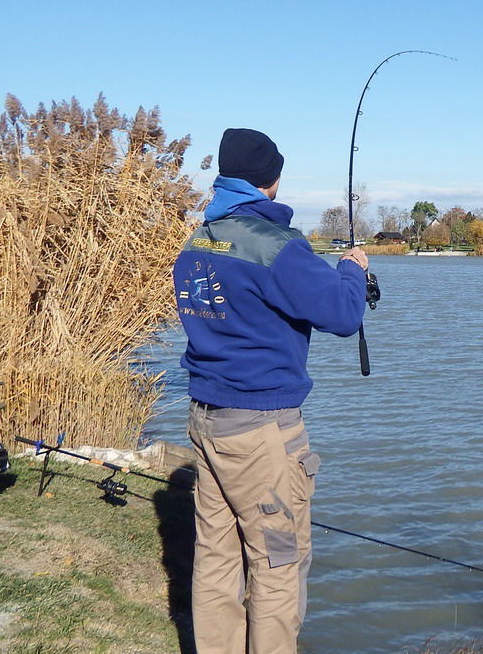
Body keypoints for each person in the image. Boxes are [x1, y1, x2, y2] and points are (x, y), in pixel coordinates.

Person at [173, 127, 369, 654]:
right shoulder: (276, 246)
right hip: (262, 431)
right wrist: (352, 269)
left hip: (206, 418)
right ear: (272, 182)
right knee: (278, 560)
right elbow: (344, 315)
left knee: (215, 556)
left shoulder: (197, 241)